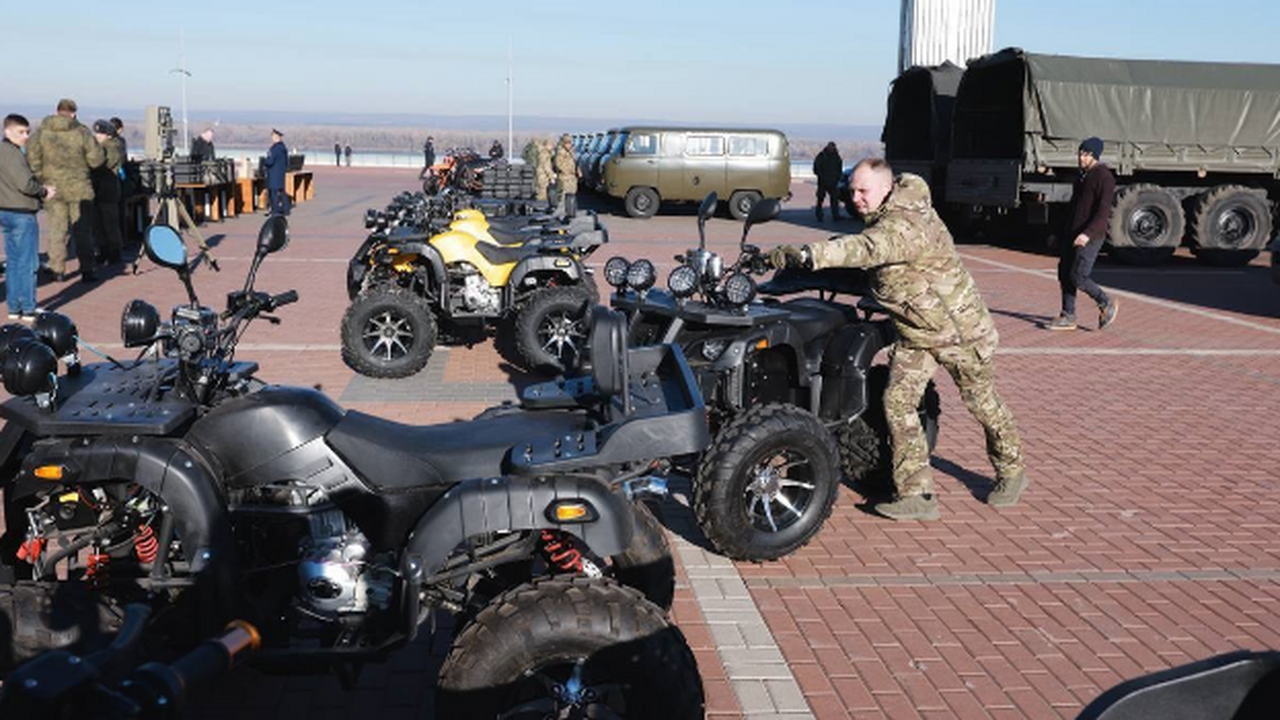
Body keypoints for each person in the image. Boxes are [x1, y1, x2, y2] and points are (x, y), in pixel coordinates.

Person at [767, 159, 1027, 521]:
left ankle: (1012, 471)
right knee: (897, 402)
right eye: (852, 190)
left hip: (959, 333)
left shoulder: (905, 226)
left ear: (887, 190)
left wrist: (810, 255)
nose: (855, 198)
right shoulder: (884, 217)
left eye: (863, 191)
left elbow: (867, 249)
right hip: (916, 333)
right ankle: (917, 494)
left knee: (982, 403)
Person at [27, 98, 105, 282]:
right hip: (80, 189)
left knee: (56, 230)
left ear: (57, 111)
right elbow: (96, 160)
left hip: (52, 188)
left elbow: (32, 159)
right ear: (74, 113)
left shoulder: (41, 133)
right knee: (83, 231)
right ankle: (88, 269)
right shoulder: (82, 133)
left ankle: (57, 269)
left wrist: (42, 179)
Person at [1048, 137, 1119, 331]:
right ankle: (1068, 315)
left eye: (1086, 154)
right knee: (1064, 273)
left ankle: (1105, 302)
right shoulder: (1082, 176)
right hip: (1072, 234)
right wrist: (1058, 232)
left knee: (1078, 276)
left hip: (1091, 236)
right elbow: (1073, 208)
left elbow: (1103, 212)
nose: (1081, 157)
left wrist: (1087, 234)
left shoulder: (1104, 177)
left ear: (1094, 155)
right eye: (1080, 153)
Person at [0, 114, 56, 320]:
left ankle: (14, 306)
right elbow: (24, 183)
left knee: (14, 262)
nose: (25, 136)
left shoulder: (5, 152)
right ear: (7, 131)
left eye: (27, 132)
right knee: (28, 263)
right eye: (21, 132)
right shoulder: (12, 154)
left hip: (5, 211)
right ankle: (29, 307)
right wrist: (43, 191)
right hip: (21, 213)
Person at [90, 120, 125, 265]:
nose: (97, 136)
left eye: (100, 133)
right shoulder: (102, 146)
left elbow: (104, 164)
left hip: (107, 189)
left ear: (108, 135)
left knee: (109, 223)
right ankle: (103, 251)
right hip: (99, 189)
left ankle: (114, 251)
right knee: (99, 223)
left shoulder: (113, 147)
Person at [812, 141, 843, 221]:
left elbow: (839, 169)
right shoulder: (822, 156)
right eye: (830, 147)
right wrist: (822, 176)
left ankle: (836, 215)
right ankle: (819, 215)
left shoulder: (836, 157)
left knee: (835, 200)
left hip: (833, 182)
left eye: (833, 147)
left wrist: (838, 178)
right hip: (823, 182)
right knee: (820, 199)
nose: (832, 148)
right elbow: (816, 168)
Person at [264, 128, 289, 216]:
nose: (272, 138)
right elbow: (286, 161)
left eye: (273, 136)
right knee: (282, 191)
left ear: (277, 137)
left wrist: (265, 162)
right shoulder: (283, 148)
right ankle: (286, 209)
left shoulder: (274, 149)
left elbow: (270, 161)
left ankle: (275, 210)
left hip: (273, 173)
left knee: (273, 193)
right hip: (280, 173)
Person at [552, 133, 578, 216]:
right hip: (565, 177)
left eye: (570, 143)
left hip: (572, 177)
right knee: (563, 197)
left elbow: (574, 162)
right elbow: (558, 164)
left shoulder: (571, 151)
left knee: (571, 196)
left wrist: (577, 170)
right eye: (567, 143)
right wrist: (568, 171)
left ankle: (570, 212)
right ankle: (562, 213)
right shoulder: (560, 151)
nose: (569, 145)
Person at [533, 138, 553, 202]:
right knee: (543, 193)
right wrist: (551, 176)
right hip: (543, 176)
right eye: (551, 145)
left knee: (540, 191)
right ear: (547, 145)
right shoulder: (545, 154)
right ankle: (540, 207)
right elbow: (546, 166)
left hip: (541, 174)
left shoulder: (543, 152)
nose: (552, 147)